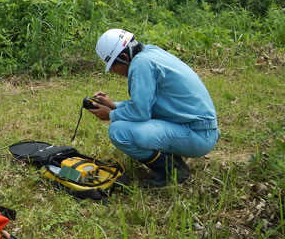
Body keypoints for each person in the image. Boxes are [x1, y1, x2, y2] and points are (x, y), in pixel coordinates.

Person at [87, 28, 219, 187]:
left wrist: (111, 114)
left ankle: (173, 171)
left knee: (119, 131)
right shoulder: (151, 53)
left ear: (123, 57)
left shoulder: (142, 64)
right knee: (123, 126)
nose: (114, 72)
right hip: (200, 130)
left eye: (112, 67)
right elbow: (149, 103)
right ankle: (172, 163)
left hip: (196, 134)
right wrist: (114, 106)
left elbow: (140, 113)